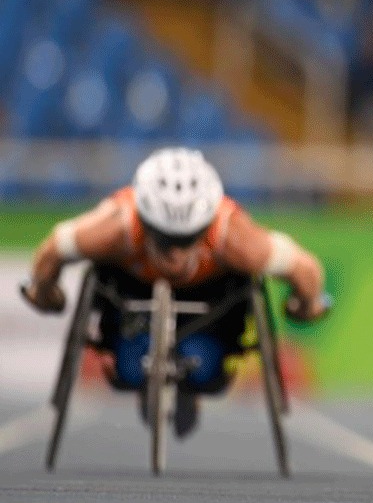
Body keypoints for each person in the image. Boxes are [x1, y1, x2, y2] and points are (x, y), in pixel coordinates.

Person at [21, 147, 329, 438]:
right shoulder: (117, 225)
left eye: (188, 239)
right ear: (144, 222)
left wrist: (307, 303)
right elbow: (54, 249)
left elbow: (305, 268)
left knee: (204, 369)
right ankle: (145, 373)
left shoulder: (232, 235)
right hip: (131, 305)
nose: (176, 257)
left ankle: (190, 384)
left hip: (212, 308)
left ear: (206, 226)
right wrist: (44, 290)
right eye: (165, 239)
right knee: (130, 368)